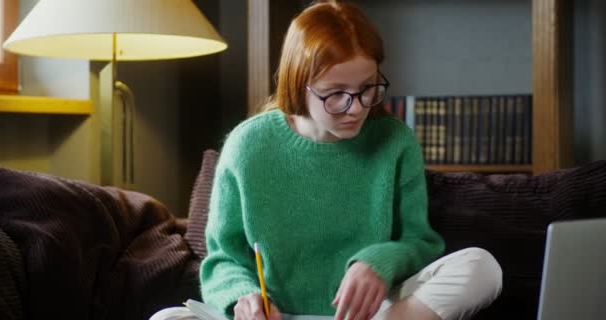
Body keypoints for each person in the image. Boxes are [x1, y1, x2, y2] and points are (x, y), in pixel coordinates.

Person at [200, 1, 502, 320]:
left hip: (374, 312)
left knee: (482, 267)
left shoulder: (395, 141)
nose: (357, 107)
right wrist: (243, 298)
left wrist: (378, 263)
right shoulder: (247, 145)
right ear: (298, 85)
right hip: (279, 315)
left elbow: (419, 242)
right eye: (335, 93)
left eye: (367, 88)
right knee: (167, 317)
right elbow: (223, 259)